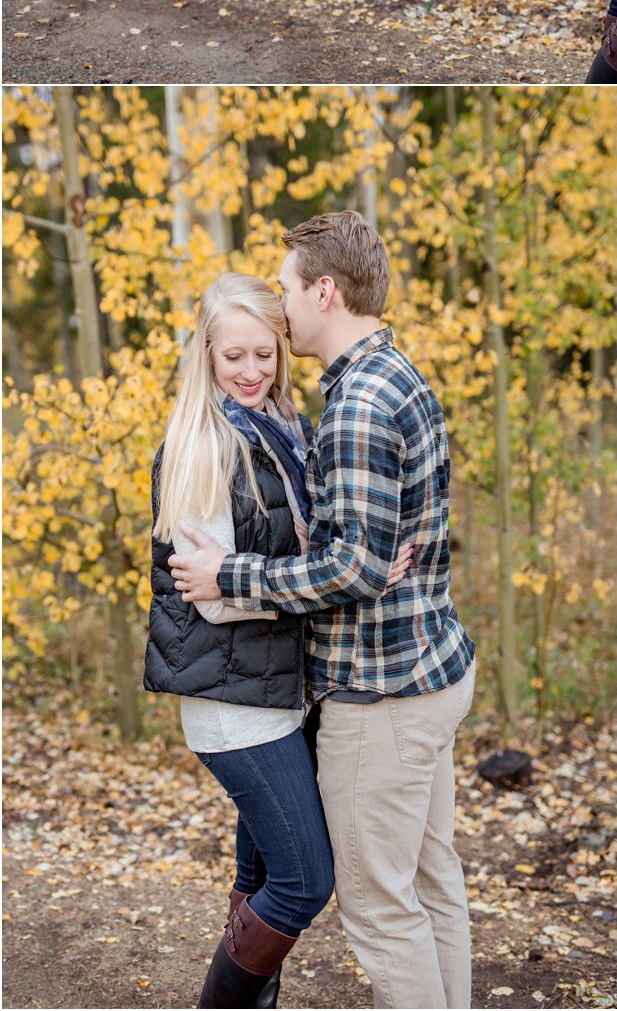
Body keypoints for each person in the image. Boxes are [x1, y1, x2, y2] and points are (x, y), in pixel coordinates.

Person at [170, 212, 475, 1011]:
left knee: (379, 907)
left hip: (384, 693)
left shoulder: (352, 404)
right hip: (419, 671)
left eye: (288, 289)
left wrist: (348, 563)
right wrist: (363, 560)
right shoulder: (389, 377)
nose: (283, 304)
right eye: (234, 350)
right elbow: (361, 554)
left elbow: (353, 561)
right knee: (427, 881)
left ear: (325, 289)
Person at [145, 273, 356, 1008]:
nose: (251, 372)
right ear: (204, 353)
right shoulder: (205, 445)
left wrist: (356, 555)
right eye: (234, 355)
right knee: (305, 880)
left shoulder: (280, 427)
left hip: (274, 688)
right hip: (234, 703)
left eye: (264, 355)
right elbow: (215, 600)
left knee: (268, 877)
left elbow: (257, 565)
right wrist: (323, 575)